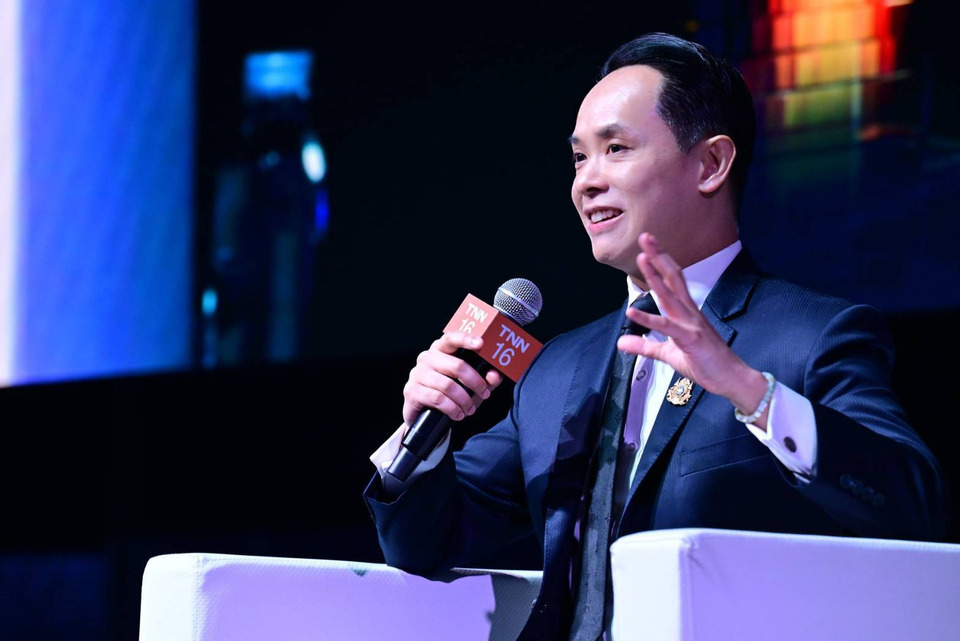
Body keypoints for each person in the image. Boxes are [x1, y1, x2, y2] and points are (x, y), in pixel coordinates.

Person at [363, 32, 949, 640]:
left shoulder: (812, 334)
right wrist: (425, 437)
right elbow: (428, 544)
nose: (586, 182)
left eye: (616, 149)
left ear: (711, 165)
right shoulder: (557, 369)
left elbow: (915, 507)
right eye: (579, 158)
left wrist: (751, 392)